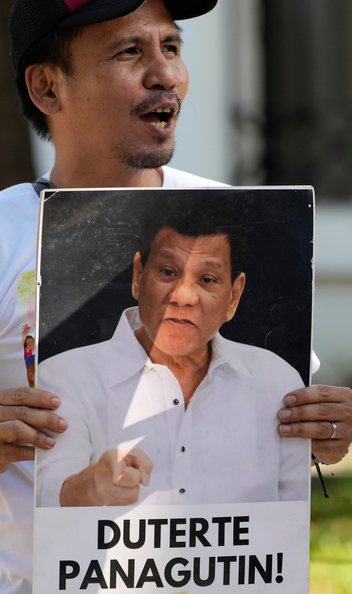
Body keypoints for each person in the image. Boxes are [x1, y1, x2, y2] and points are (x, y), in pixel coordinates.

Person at [0, 0, 352, 594]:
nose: (165, 73)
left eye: (171, 46)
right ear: (47, 84)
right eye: (130, 52)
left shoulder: (232, 218)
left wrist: (323, 430)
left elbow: (288, 429)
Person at [36, 197, 310, 507]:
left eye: (207, 280)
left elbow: (294, 517)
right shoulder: (66, 378)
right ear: (138, 277)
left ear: (234, 296)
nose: (182, 296)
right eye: (167, 272)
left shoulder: (277, 381)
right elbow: (48, 492)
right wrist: (91, 486)